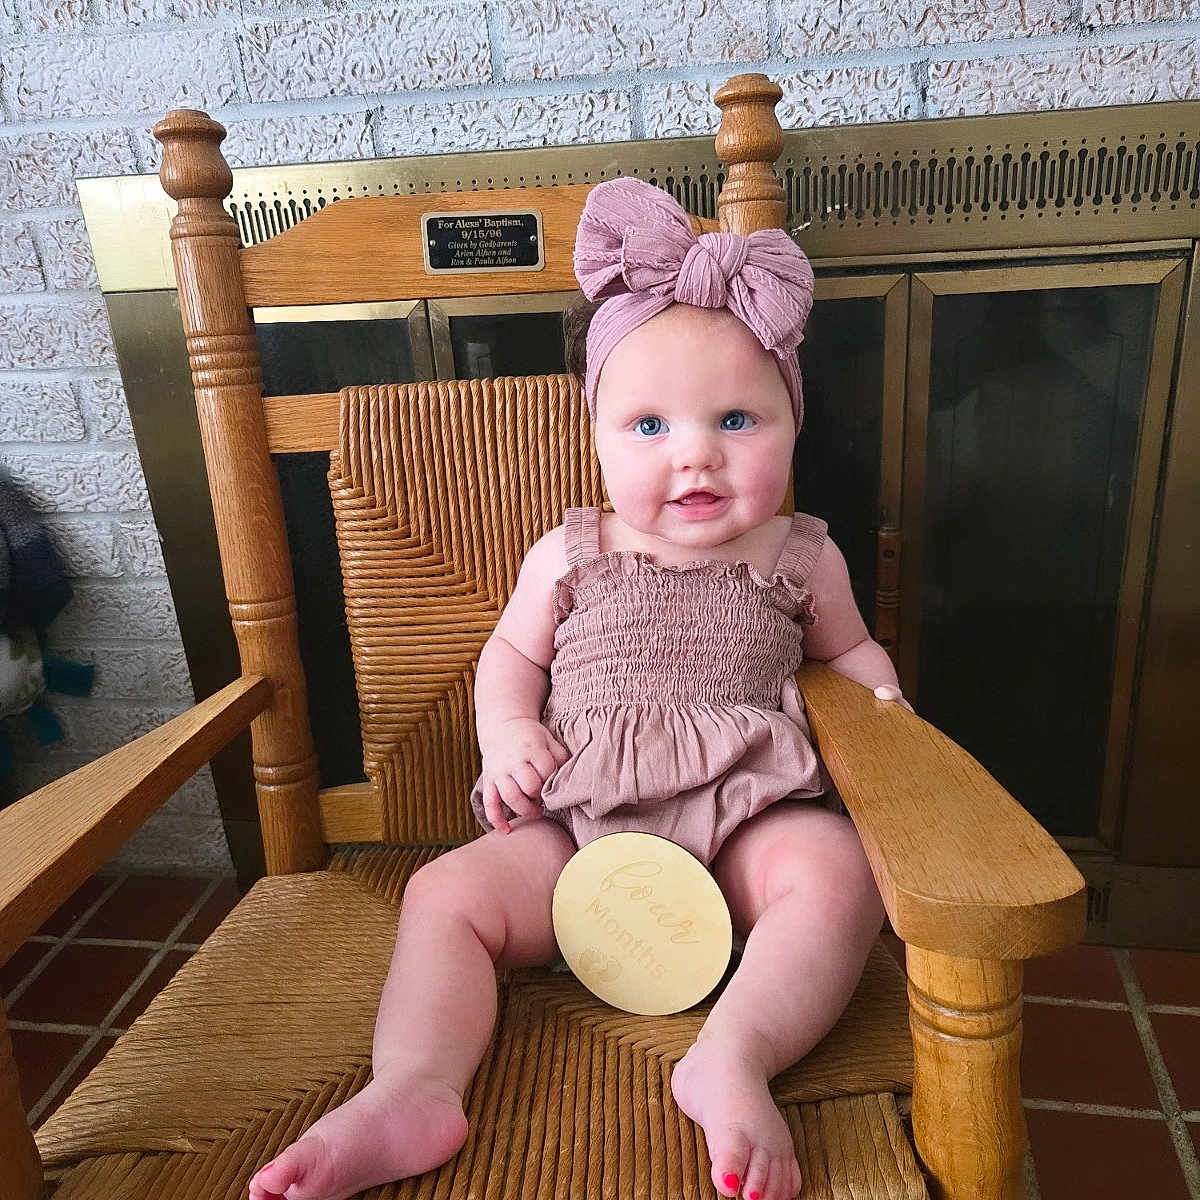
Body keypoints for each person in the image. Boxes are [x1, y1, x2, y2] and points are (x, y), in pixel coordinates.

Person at [249, 177, 906, 1200]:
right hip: (577, 828)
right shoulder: (567, 554)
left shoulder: (800, 557)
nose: (695, 454)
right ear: (596, 434)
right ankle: (416, 1088)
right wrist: (508, 732)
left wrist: (887, 714)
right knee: (444, 894)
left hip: (744, 829)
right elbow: (510, 659)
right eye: (649, 426)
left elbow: (854, 656)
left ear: (793, 422)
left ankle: (732, 1058)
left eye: (737, 418)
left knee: (839, 874)